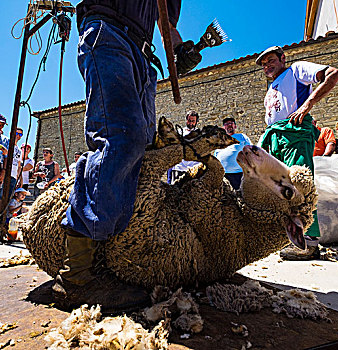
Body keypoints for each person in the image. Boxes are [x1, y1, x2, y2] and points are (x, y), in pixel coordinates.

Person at [58, 0, 201, 311]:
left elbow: (168, 26)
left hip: (142, 53)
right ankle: (76, 277)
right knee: (121, 135)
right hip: (108, 32)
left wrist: (180, 50)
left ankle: (120, 256)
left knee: (144, 147)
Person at [257, 45, 338, 260]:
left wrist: (307, 106)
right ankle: (289, 238)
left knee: (299, 185)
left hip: (294, 132)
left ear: (282, 58)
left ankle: (308, 242)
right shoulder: (272, 88)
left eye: (271, 60)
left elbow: (333, 74)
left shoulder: (296, 70)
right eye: (264, 64)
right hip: (277, 136)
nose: (267, 66)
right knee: (279, 189)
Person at [214, 117, 252, 190]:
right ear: (223, 128)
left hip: (240, 174)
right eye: (226, 124)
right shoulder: (219, 141)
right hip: (224, 176)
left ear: (235, 126)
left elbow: (251, 152)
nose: (229, 125)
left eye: (231, 123)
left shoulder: (242, 137)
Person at [168, 110, 201, 183]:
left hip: (194, 170)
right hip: (179, 169)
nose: (191, 123)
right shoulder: (179, 133)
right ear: (186, 120)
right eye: (189, 120)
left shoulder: (200, 135)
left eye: (193, 121)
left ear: (197, 122)